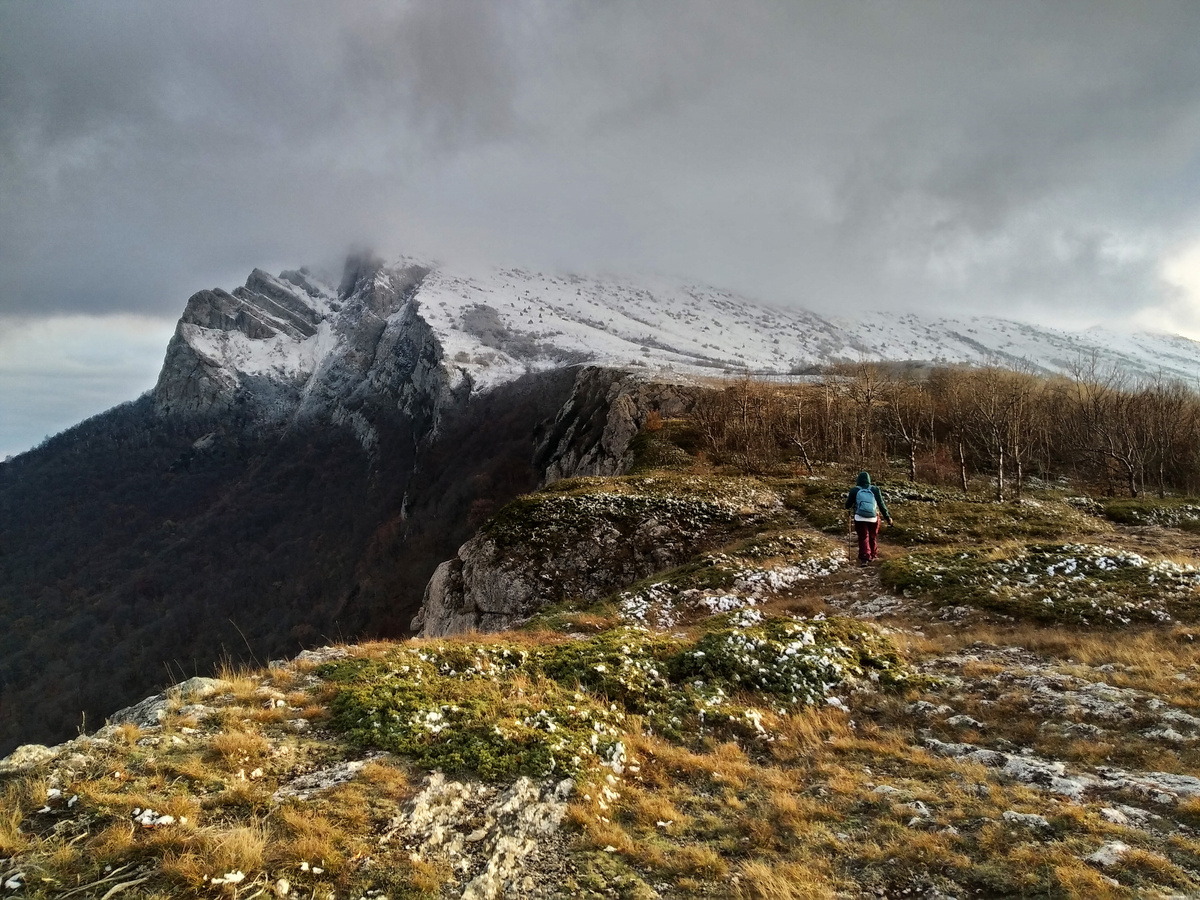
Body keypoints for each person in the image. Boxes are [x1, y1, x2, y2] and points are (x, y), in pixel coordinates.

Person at [845, 470, 891, 564]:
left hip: (859, 517)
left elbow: (847, 505)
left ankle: (865, 558)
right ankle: (873, 555)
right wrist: (888, 517)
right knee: (872, 536)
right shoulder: (875, 489)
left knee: (863, 537)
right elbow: (881, 505)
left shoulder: (855, 490)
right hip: (873, 517)